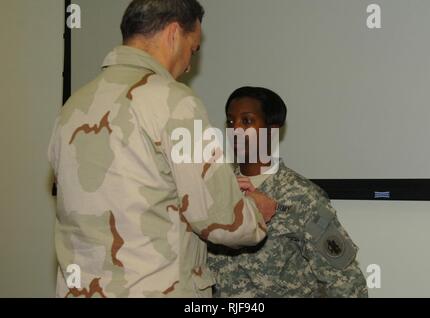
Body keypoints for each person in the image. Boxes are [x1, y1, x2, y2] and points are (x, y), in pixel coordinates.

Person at [47, 0, 276, 298]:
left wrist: (212, 185)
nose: (190, 64)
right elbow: (223, 222)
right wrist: (254, 209)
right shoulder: (174, 101)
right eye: (192, 49)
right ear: (173, 33)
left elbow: (124, 191)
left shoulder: (72, 107)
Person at [208, 87, 368, 298]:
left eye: (246, 121)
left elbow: (346, 282)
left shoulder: (301, 196)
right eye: (230, 121)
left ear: (272, 128)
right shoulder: (214, 188)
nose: (235, 130)